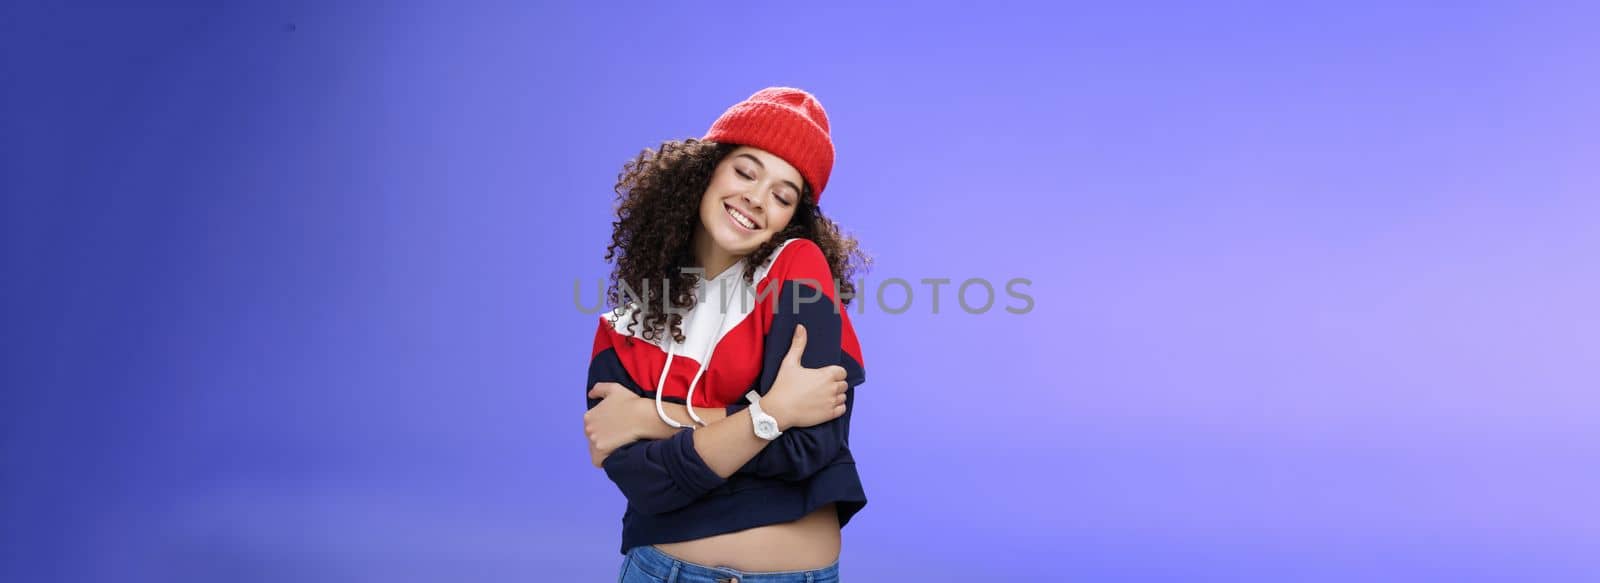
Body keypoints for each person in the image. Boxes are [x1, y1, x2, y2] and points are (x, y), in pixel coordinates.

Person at [583, 87, 869, 583]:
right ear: (706, 169)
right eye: (745, 171)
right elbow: (649, 485)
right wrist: (774, 412)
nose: (756, 199)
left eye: (783, 196)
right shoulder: (624, 326)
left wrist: (652, 416)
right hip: (664, 572)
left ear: (791, 218)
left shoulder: (797, 272)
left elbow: (809, 446)